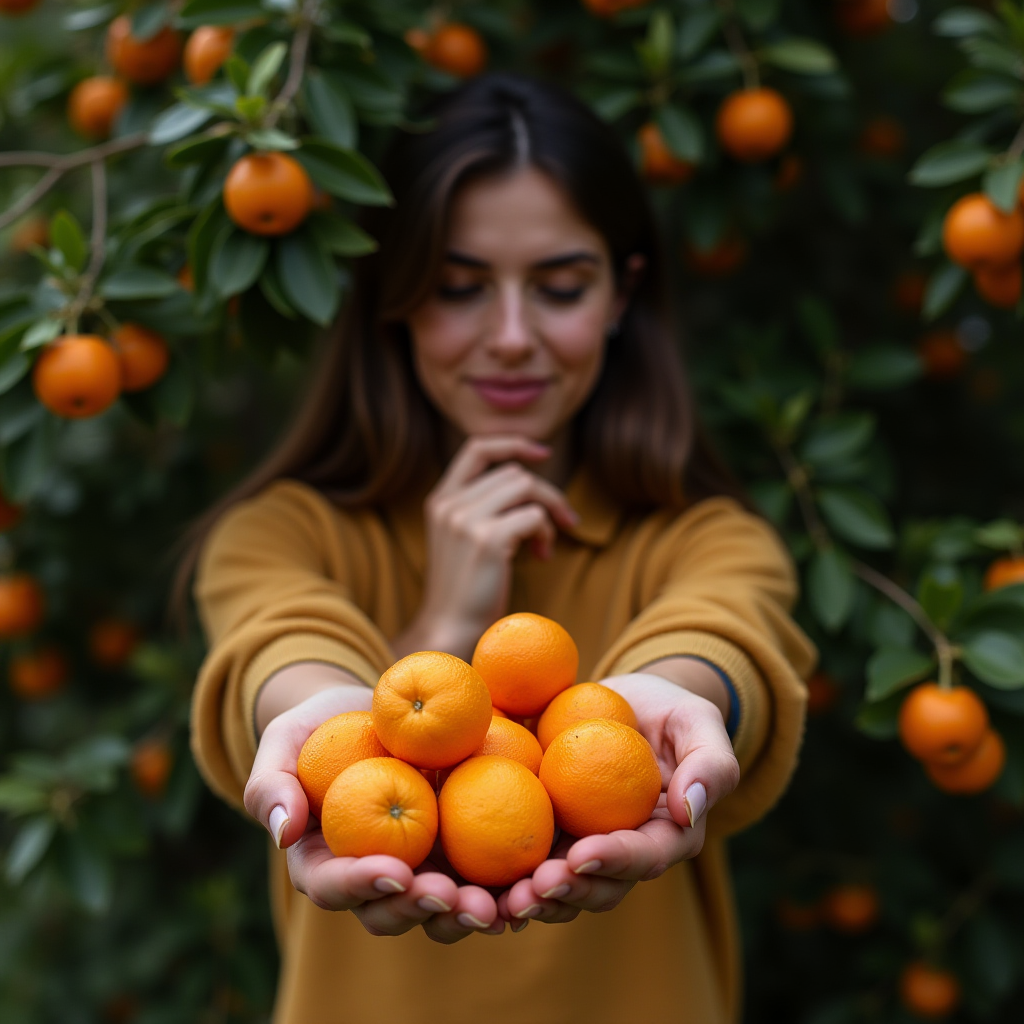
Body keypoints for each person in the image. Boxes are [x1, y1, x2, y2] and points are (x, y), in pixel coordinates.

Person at [181, 72, 817, 1024]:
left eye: (559, 286)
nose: (512, 337)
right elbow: (280, 648)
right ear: (394, 297)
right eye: (458, 288)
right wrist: (442, 624)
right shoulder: (280, 533)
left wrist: (684, 704)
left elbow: (725, 634)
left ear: (619, 293)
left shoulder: (706, 538)